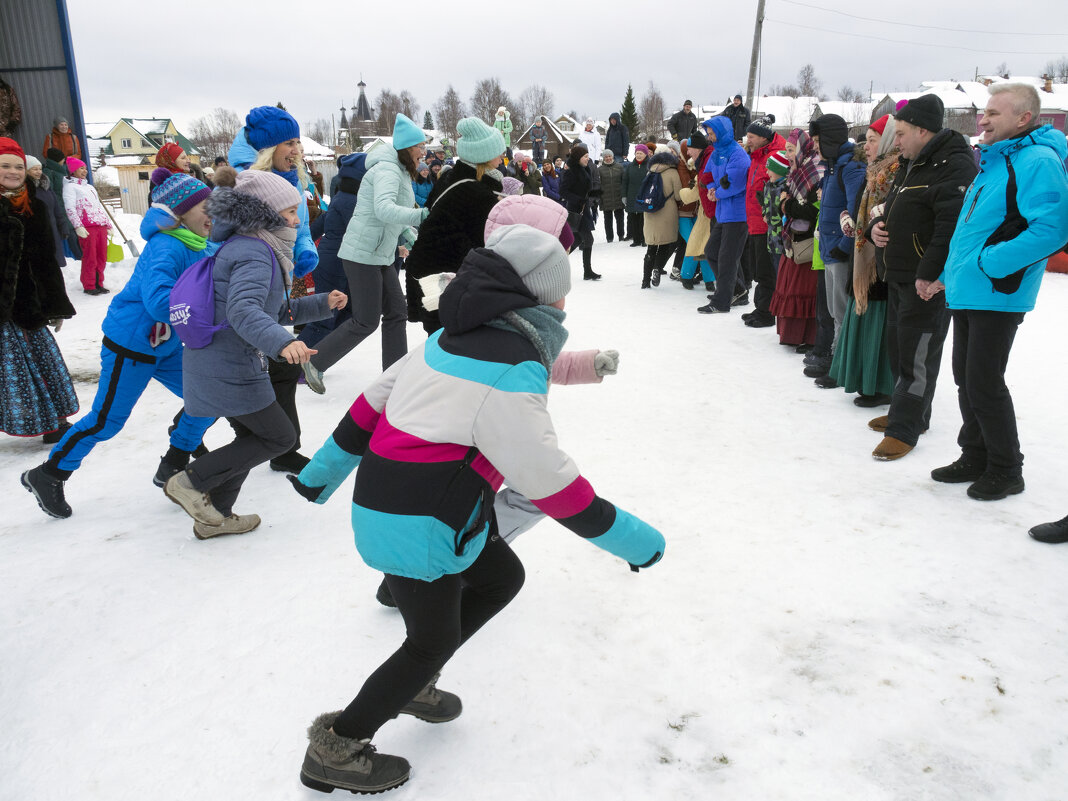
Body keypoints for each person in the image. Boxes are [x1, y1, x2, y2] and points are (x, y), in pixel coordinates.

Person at [288, 223, 664, 795]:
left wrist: (319, 477)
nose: (566, 302)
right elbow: (552, 485)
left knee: (499, 578)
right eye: (561, 291)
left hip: (403, 506)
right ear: (538, 299)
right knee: (429, 641)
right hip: (423, 523)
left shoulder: (449, 339)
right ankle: (338, 745)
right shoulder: (512, 367)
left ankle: (412, 683)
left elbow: (367, 410)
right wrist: (637, 543)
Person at [22, 169, 218, 520]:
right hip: (132, 344)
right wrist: (207, 308)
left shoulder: (200, 243)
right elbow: (158, 302)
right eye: (206, 207)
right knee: (106, 421)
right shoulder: (167, 246)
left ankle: (174, 462)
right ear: (181, 213)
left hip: (168, 345)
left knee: (210, 397)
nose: (213, 213)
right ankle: (49, 474)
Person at [163, 170, 344, 537]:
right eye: (290, 211)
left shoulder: (250, 246)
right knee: (278, 438)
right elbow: (244, 312)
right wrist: (283, 343)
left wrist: (322, 304)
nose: (297, 219)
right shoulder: (256, 252)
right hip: (231, 365)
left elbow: (270, 310)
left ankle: (216, 515)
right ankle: (191, 482)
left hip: (218, 360)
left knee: (252, 439)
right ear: (265, 213)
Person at [929, 83, 1068, 499]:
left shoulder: (1038, 160)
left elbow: (1052, 228)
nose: (982, 120)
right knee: (966, 379)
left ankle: (1007, 469)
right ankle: (975, 454)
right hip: (970, 290)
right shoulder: (995, 160)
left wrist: (990, 264)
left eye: (992, 113)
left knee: (984, 381)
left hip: (998, 291)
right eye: (983, 113)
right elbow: (974, 229)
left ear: (1023, 118)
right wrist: (953, 274)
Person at [867, 94, 977, 461]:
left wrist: (930, 274)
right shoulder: (912, 162)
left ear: (921, 130)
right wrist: (874, 228)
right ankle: (913, 412)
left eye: (900, 134)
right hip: (899, 273)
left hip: (924, 281)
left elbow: (949, 228)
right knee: (900, 347)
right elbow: (891, 209)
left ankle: (905, 428)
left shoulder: (954, 165)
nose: (895, 142)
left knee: (918, 353)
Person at [300, 114, 429, 394]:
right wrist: (423, 215)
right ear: (407, 147)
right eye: (421, 146)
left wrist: (418, 237)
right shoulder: (386, 171)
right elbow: (384, 209)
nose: (424, 153)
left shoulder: (400, 173)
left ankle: (394, 376)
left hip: (380, 253)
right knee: (366, 319)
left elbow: (396, 219)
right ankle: (315, 361)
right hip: (362, 254)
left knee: (396, 312)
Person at [227, 106, 321, 473]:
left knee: (276, 370)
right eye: (288, 142)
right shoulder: (246, 182)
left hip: (273, 280)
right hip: (244, 288)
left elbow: (300, 224)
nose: (296, 149)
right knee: (226, 379)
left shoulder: (289, 176)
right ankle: (181, 453)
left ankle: (282, 448)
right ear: (267, 148)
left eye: (298, 140)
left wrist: (304, 250)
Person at [1, 138, 77, 448]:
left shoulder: (35, 204)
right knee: (11, 370)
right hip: (3, 308)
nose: (13, 171)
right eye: (5, 165)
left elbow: (46, 259)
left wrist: (56, 304)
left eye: (18, 166)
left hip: (30, 306)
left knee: (43, 363)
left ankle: (53, 422)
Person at [403, 116, 506, 334]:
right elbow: (486, 243)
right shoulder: (474, 192)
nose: (502, 157)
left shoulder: (453, 179)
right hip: (443, 280)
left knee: (443, 346)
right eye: (499, 152)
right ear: (484, 156)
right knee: (450, 348)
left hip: (431, 274)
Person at [827, 115, 898, 407]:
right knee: (865, 318)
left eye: (872, 139)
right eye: (866, 139)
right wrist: (851, 220)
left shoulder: (893, 171)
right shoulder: (875, 171)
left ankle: (878, 384)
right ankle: (864, 381)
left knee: (877, 325)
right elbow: (861, 210)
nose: (866, 146)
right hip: (865, 253)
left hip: (879, 262)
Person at [810, 113, 867, 362]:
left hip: (840, 251)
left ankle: (840, 361)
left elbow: (856, 211)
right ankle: (836, 356)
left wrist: (844, 246)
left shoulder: (850, 168)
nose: (814, 146)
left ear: (829, 140)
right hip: (829, 249)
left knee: (842, 310)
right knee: (834, 309)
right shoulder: (834, 167)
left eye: (817, 140)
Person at [299, 153, 367, 349]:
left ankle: (315, 356)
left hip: (338, 262)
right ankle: (293, 362)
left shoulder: (344, 197)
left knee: (346, 312)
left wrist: (303, 243)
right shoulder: (351, 201)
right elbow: (361, 233)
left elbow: (320, 224)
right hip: (334, 264)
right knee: (324, 317)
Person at [770, 131, 822, 347]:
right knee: (790, 286)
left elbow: (811, 210)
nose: (788, 154)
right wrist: (787, 205)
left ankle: (807, 337)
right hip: (793, 238)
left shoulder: (814, 172)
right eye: (788, 150)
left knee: (804, 290)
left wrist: (786, 205)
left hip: (806, 241)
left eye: (791, 150)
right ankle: (791, 334)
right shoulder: (796, 171)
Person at [697, 117, 751, 314]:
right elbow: (708, 175)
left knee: (728, 258)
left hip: (737, 214)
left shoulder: (738, 155)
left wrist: (717, 193)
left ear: (723, 132)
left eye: (712, 134)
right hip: (722, 212)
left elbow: (735, 183)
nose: (710, 138)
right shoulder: (717, 152)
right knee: (712, 252)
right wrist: (712, 189)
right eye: (709, 134)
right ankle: (737, 290)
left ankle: (721, 301)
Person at [740, 115, 786, 328]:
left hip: (767, 223)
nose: (747, 140)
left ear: (763, 137)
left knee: (765, 270)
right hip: (754, 220)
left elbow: (776, 187)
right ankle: (761, 307)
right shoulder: (757, 155)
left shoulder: (776, 156)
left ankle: (767, 312)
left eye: (751, 136)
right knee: (759, 268)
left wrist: (764, 201)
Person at [62, 156, 114, 295]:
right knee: (90, 256)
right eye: (81, 168)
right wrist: (78, 226)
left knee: (101, 256)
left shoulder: (90, 187)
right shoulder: (70, 187)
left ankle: (99, 283)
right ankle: (89, 285)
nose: (84, 171)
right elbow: (70, 208)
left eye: (85, 168)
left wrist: (108, 224)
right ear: (73, 170)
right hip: (87, 227)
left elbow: (98, 207)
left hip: (100, 225)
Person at [640, 146, 683, 288]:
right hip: (667, 213)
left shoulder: (649, 171)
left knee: (651, 247)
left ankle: (645, 281)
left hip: (650, 212)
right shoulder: (672, 172)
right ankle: (657, 269)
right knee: (665, 244)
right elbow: (677, 195)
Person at [559, 143, 600, 280]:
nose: (587, 159)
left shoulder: (586, 169)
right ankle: (587, 271)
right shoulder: (571, 172)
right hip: (575, 209)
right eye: (585, 156)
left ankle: (557, 262)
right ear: (578, 157)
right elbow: (563, 191)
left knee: (576, 239)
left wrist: (591, 199)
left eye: (588, 156)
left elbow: (587, 187)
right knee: (588, 238)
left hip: (585, 208)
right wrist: (579, 200)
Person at [25, 156, 66, 269]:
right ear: (26, 170)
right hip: (37, 232)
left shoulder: (45, 185)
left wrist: (62, 225)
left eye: (40, 168)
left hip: (52, 229)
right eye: (34, 169)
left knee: (54, 263)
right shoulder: (25, 189)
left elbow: (56, 208)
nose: (38, 172)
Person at [621, 144, 650, 247]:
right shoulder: (630, 166)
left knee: (643, 219)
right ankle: (636, 240)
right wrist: (624, 196)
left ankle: (644, 239)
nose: (638, 155)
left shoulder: (649, 165)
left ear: (645, 154)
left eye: (641, 153)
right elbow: (625, 181)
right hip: (632, 195)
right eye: (637, 153)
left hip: (644, 196)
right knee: (633, 218)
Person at [598, 149, 625, 242]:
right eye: (606, 157)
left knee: (620, 218)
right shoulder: (600, 169)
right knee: (608, 220)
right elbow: (599, 184)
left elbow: (623, 182)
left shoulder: (619, 167)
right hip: (606, 198)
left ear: (612, 156)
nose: (608, 158)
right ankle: (609, 237)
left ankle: (621, 235)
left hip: (618, 196)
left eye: (609, 156)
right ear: (603, 158)